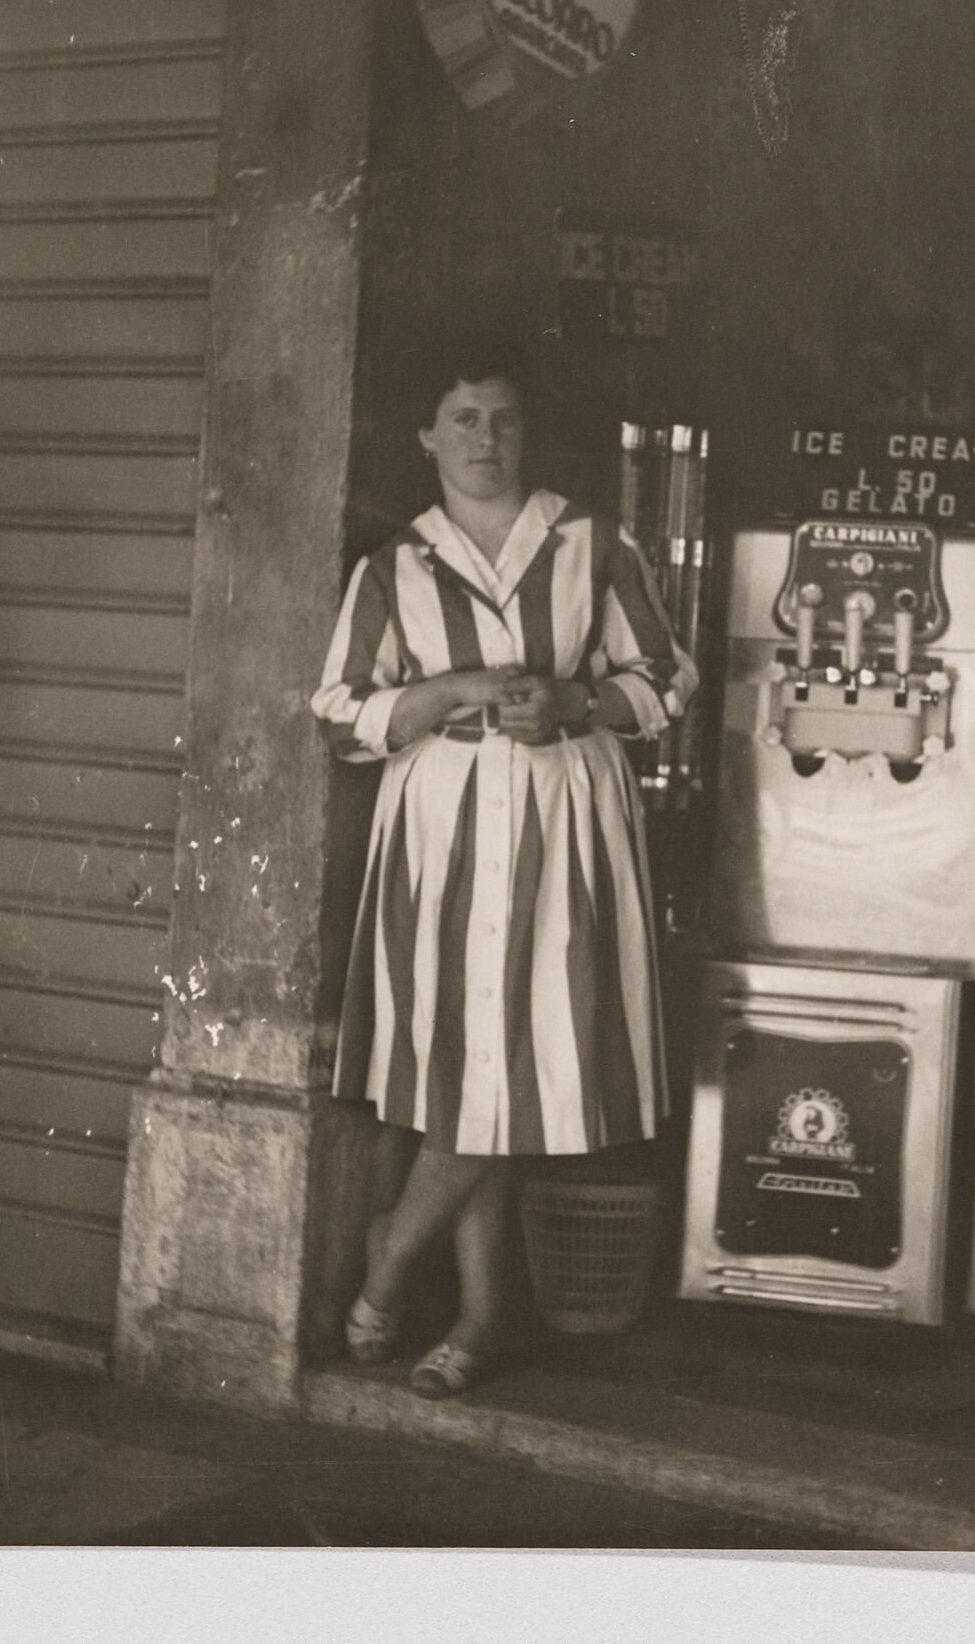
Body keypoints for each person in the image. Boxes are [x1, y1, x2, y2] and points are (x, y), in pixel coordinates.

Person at [311, 334, 697, 1398]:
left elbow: (664, 678)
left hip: (562, 812)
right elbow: (340, 714)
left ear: (527, 431)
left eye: (504, 417)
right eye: (464, 418)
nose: (485, 438)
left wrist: (577, 702)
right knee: (471, 1062)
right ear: (428, 435)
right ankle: (482, 1315)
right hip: (440, 822)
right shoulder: (394, 567)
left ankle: (392, 1261)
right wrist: (441, 695)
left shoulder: (590, 543)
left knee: (517, 1054)